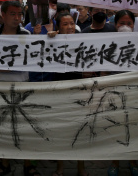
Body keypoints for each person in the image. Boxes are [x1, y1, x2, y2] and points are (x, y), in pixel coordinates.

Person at [0, 1, 40, 176]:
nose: (17, 18)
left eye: (20, 14)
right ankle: (5, 163)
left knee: (25, 127)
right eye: (12, 14)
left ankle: (28, 164)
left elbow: (22, 62)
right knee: (2, 127)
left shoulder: (26, 34)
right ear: (3, 15)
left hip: (22, 85)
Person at [47, 12, 88, 176]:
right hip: (59, 91)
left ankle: (81, 167)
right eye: (65, 24)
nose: (70, 27)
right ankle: (60, 167)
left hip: (80, 90)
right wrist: (51, 37)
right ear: (58, 26)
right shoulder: (53, 39)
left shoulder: (83, 40)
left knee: (81, 130)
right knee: (61, 131)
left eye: (72, 23)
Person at [107, 10, 138, 176]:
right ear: (115, 24)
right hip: (114, 91)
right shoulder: (106, 43)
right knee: (115, 127)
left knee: (134, 129)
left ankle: (133, 161)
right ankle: (115, 162)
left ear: (134, 25)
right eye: (122, 23)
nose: (125, 27)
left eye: (129, 24)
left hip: (135, 93)